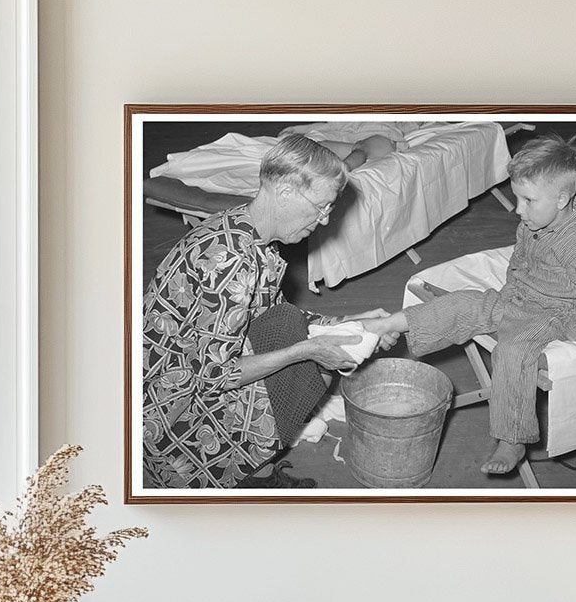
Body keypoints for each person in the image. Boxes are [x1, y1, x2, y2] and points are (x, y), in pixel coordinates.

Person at [142, 134, 394, 489]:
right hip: (170, 411)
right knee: (310, 367)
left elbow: (270, 314)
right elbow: (218, 375)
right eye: (321, 207)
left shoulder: (246, 232)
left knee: (290, 328)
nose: (324, 221)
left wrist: (354, 323)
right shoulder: (229, 263)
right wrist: (305, 350)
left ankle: (254, 468)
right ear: (285, 192)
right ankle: (243, 479)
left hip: (189, 370)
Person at [364, 135, 576, 476]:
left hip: (551, 314)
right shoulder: (534, 223)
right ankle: (393, 324)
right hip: (516, 299)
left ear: (562, 198)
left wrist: (572, 332)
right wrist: (511, 290)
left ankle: (513, 438)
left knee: (512, 352)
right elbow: (519, 262)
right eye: (517, 198)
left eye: (528, 200)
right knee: (464, 303)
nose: (518, 209)